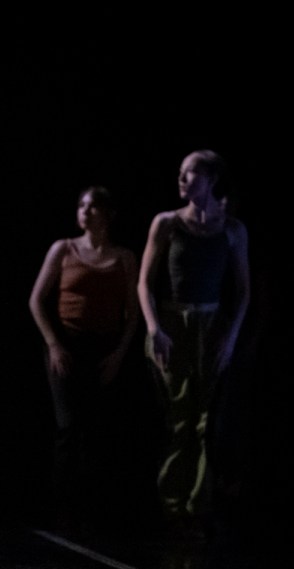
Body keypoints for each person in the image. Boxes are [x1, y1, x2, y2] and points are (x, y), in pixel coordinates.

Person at [135, 149, 251, 529]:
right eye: (181, 173)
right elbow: (145, 283)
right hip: (172, 323)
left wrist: (230, 337)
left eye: (190, 174)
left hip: (211, 324)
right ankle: (172, 503)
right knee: (179, 416)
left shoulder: (231, 229)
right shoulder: (167, 223)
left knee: (205, 419)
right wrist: (154, 327)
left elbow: (244, 290)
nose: (182, 180)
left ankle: (196, 505)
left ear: (210, 180)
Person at [27, 186, 142, 529]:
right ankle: (61, 507)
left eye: (93, 206)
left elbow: (132, 313)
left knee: (98, 428)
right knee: (68, 426)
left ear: (108, 214)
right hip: (66, 344)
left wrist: (119, 354)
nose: (86, 211)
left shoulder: (124, 257)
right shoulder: (64, 249)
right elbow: (36, 301)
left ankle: (93, 508)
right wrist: (54, 345)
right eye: (81, 205)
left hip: (105, 348)